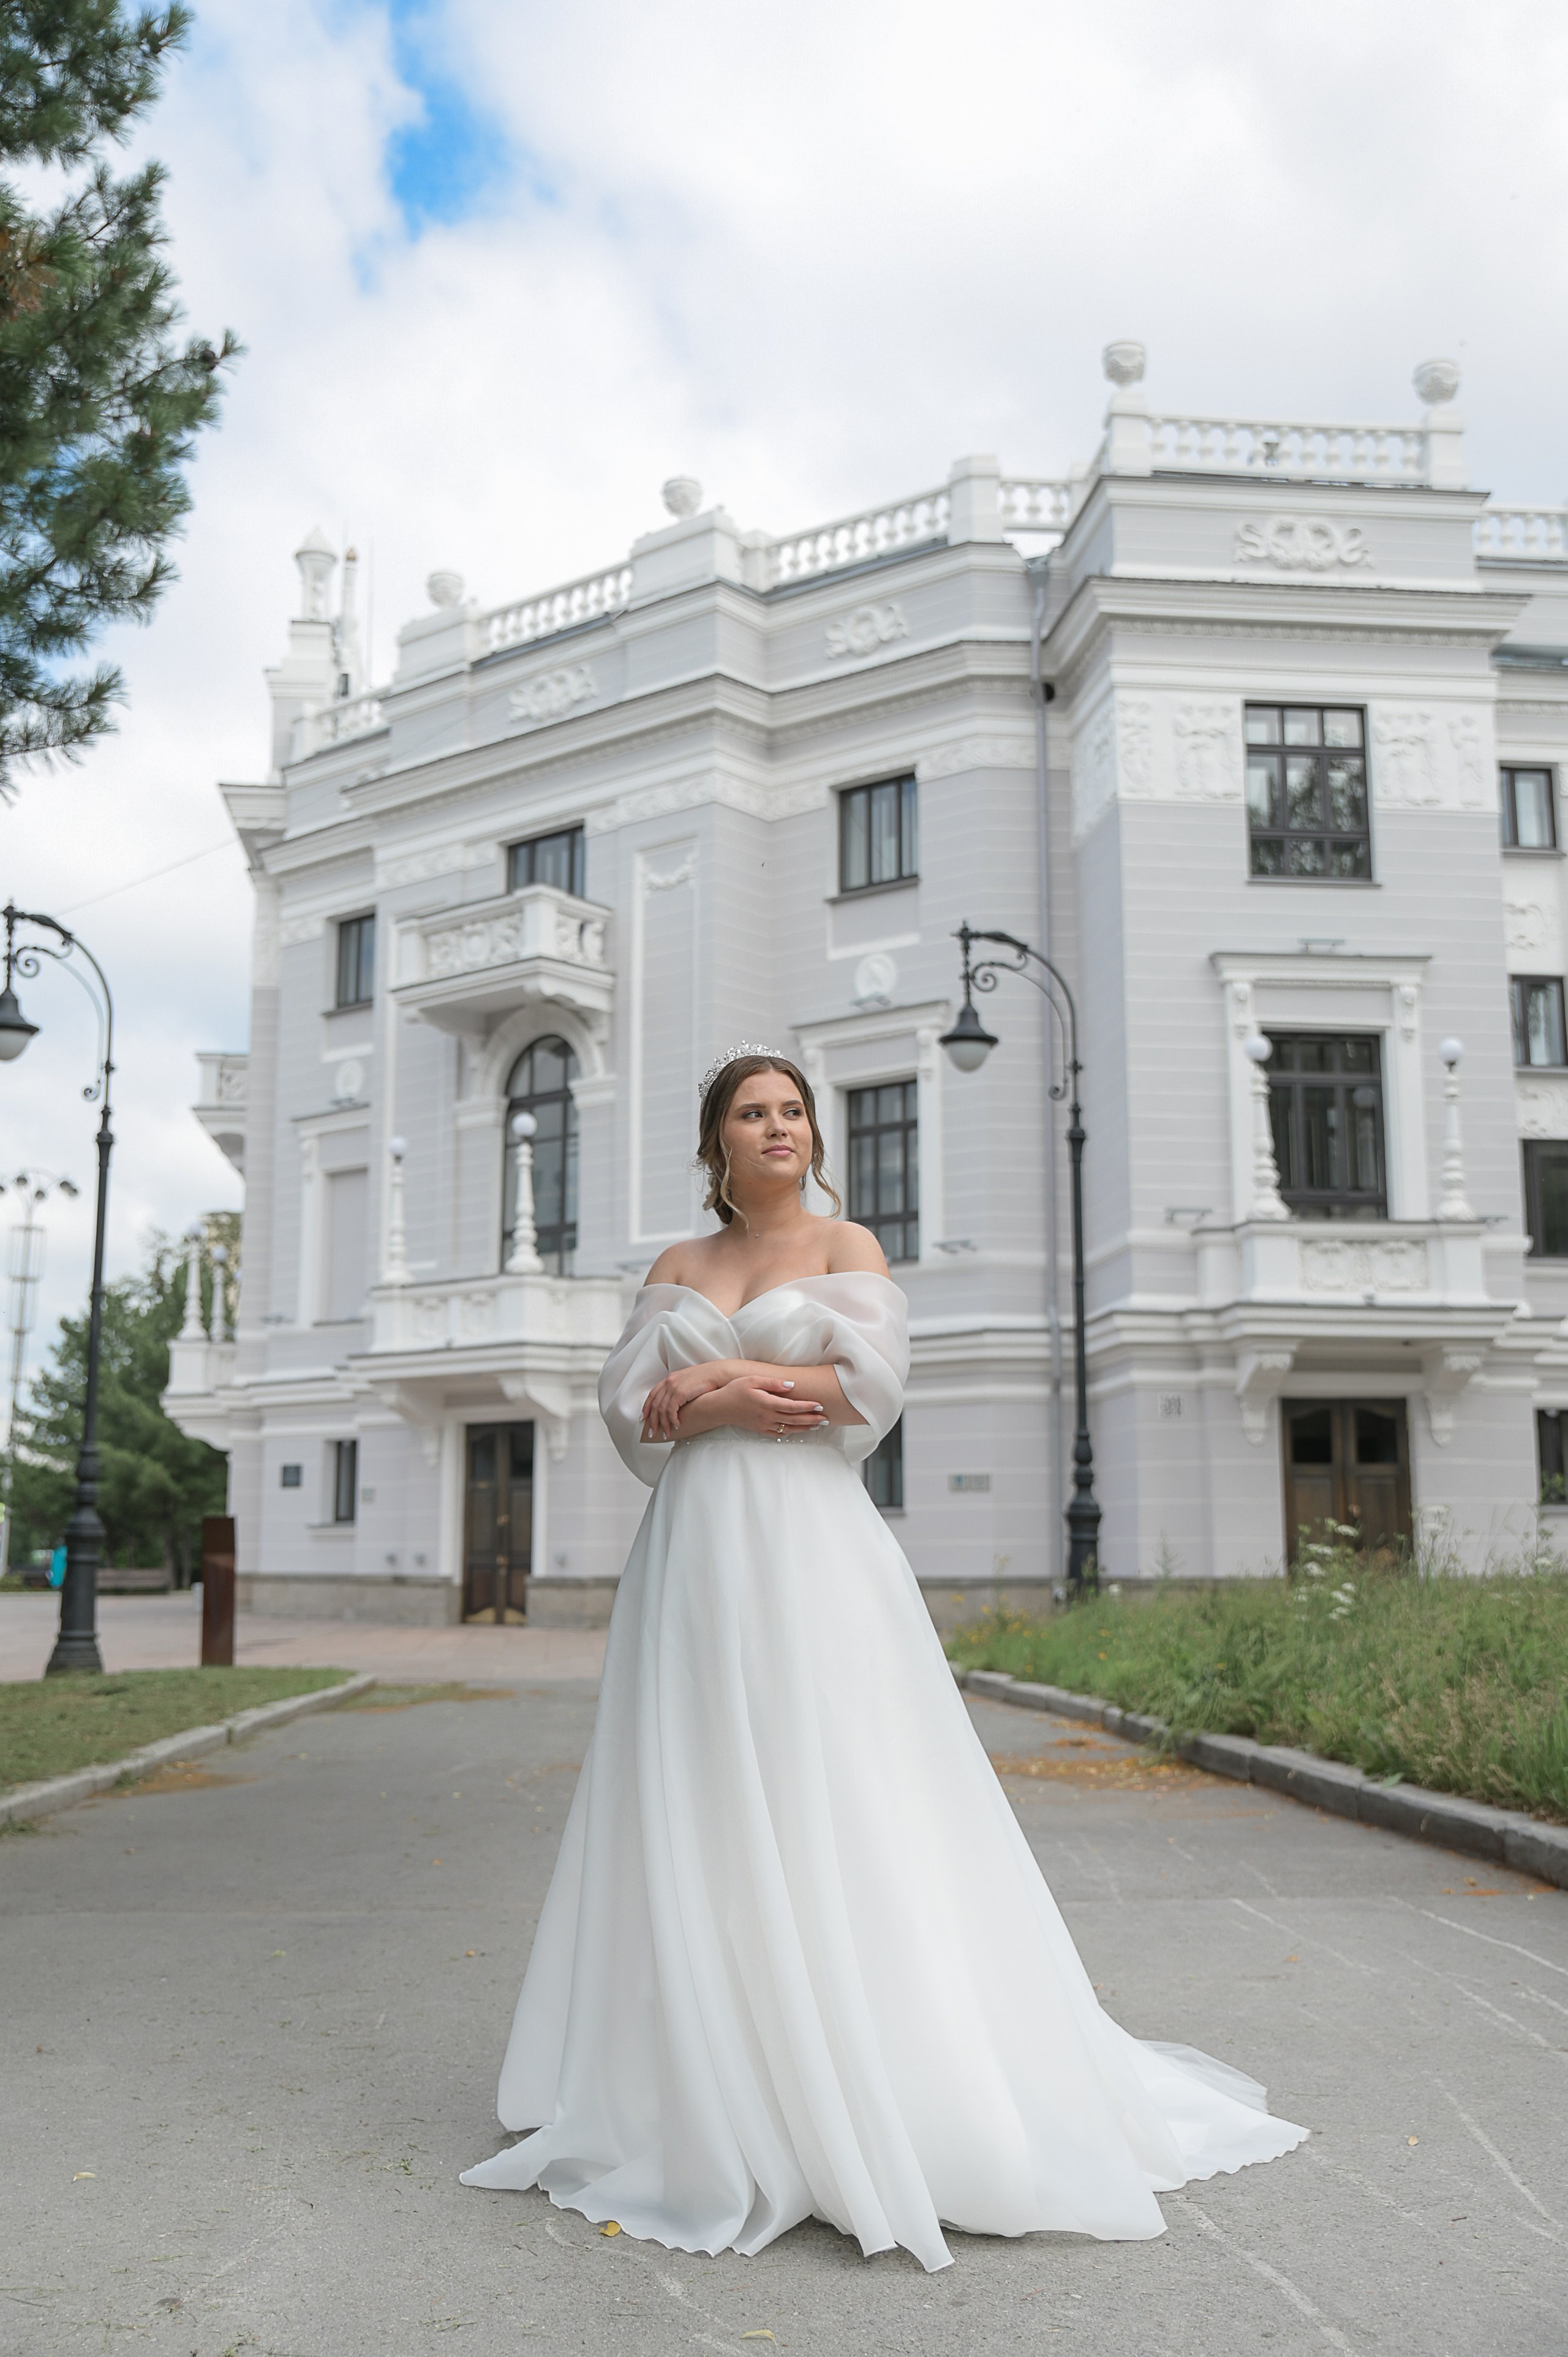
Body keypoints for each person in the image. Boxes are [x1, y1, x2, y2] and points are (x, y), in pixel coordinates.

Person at [461, 1047, 1306, 2269]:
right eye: (751, 1113)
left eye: (792, 1110)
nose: (776, 1127)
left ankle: (879, 2066)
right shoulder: (675, 1266)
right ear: (716, 1143)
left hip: (811, 1552)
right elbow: (632, 1412)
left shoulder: (846, 1249)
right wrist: (727, 1390)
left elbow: (864, 1388)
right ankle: (712, 2077)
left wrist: (719, 1373)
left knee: (838, 1784)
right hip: (692, 1561)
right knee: (693, 1797)